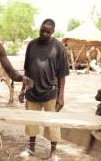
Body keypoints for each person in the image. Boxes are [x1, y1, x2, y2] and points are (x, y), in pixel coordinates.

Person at [19, 19, 69, 159]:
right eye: (42, 30)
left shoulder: (58, 47)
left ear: (53, 32)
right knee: (31, 123)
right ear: (40, 28)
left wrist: (61, 96)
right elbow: (27, 69)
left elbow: (62, 74)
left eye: (48, 31)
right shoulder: (32, 44)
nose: (44, 33)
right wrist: (23, 89)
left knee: (52, 124)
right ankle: (31, 149)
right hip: (32, 91)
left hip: (50, 92)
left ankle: (53, 153)